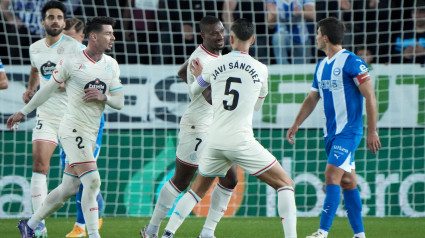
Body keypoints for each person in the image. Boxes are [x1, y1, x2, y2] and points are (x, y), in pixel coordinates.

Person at [160, 18, 297, 238]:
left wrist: (200, 75)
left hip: (214, 140)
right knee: (285, 184)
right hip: (241, 140)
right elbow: (258, 106)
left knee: (196, 190)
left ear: (231, 38)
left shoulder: (214, 64)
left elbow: (194, 91)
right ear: (252, 39)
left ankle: (169, 234)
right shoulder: (261, 69)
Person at [9, 16, 124, 238]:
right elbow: (47, 89)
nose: (113, 37)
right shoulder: (71, 61)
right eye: (108, 33)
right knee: (92, 180)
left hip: (91, 131)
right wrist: (23, 112)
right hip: (72, 128)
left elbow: (119, 102)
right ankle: (92, 234)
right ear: (94, 36)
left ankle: (30, 225)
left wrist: (104, 97)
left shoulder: (111, 64)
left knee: (69, 188)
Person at [141, 15, 238, 238]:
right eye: (214, 33)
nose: (220, 36)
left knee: (230, 178)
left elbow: (181, 72)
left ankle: (207, 232)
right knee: (182, 181)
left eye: (222, 31)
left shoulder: (214, 54)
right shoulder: (202, 59)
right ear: (203, 35)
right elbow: (211, 98)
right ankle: (154, 230)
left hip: (214, 126)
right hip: (198, 126)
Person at [286, 17, 381, 238]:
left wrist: (372, 130)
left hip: (349, 131)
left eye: (318, 33)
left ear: (325, 37)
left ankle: (322, 232)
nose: (316, 37)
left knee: (331, 176)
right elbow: (312, 98)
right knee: (348, 181)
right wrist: (296, 123)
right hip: (330, 134)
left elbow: (370, 96)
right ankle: (359, 234)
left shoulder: (352, 61)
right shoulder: (321, 66)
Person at [17, 1, 83, 237]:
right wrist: (30, 88)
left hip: (72, 118)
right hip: (46, 114)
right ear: (43, 22)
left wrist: (69, 82)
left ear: (64, 23)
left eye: (59, 18)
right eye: (51, 17)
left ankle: (84, 225)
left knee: (76, 181)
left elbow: (84, 74)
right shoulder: (35, 48)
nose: (55, 21)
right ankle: (38, 228)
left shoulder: (75, 47)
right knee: (39, 166)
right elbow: (36, 69)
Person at [62, 17, 105, 238]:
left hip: (89, 126)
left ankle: (82, 227)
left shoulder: (91, 59)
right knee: (70, 181)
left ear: (82, 36)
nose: (65, 41)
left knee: (85, 177)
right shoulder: (65, 57)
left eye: (69, 37)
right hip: (67, 124)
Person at [266, 0, 315, 64]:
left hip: (302, 37)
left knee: (301, 69)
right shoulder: (273, 1)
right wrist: (274, 15)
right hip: (283, 35)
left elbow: (313, 15)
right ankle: (283, 69)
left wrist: (298, 13)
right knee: (277, 37)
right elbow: (270, 25)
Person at [222, 0, 270, 64]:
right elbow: (226, 17)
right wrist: (234, 34)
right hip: (237, 33)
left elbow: (270, 24)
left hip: (259, 34)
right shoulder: (233, 2)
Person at [394, 0, 425, 65]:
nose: (417, 15)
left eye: (421, 11)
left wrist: (423, 52)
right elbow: (393, 57)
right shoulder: (403, 34)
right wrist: (404, 54)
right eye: (414, 11)